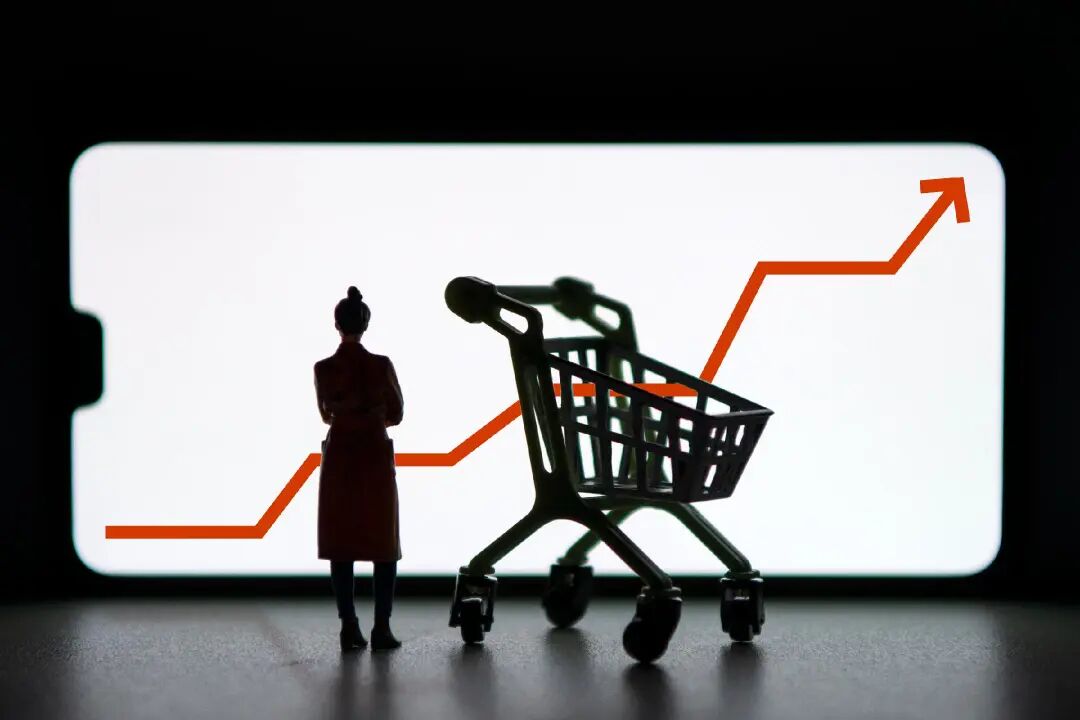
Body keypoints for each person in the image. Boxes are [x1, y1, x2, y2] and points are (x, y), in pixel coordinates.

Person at [314, 286, 404, 651]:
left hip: (340, 454)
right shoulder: (381, 365)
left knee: (341, 542)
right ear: (366, 324)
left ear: (337, 324)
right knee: (384, 544)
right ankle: (382, 627)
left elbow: (325, 414)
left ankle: (348, 626)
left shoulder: (323, 368)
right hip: (374, 453)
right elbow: (397, 413)